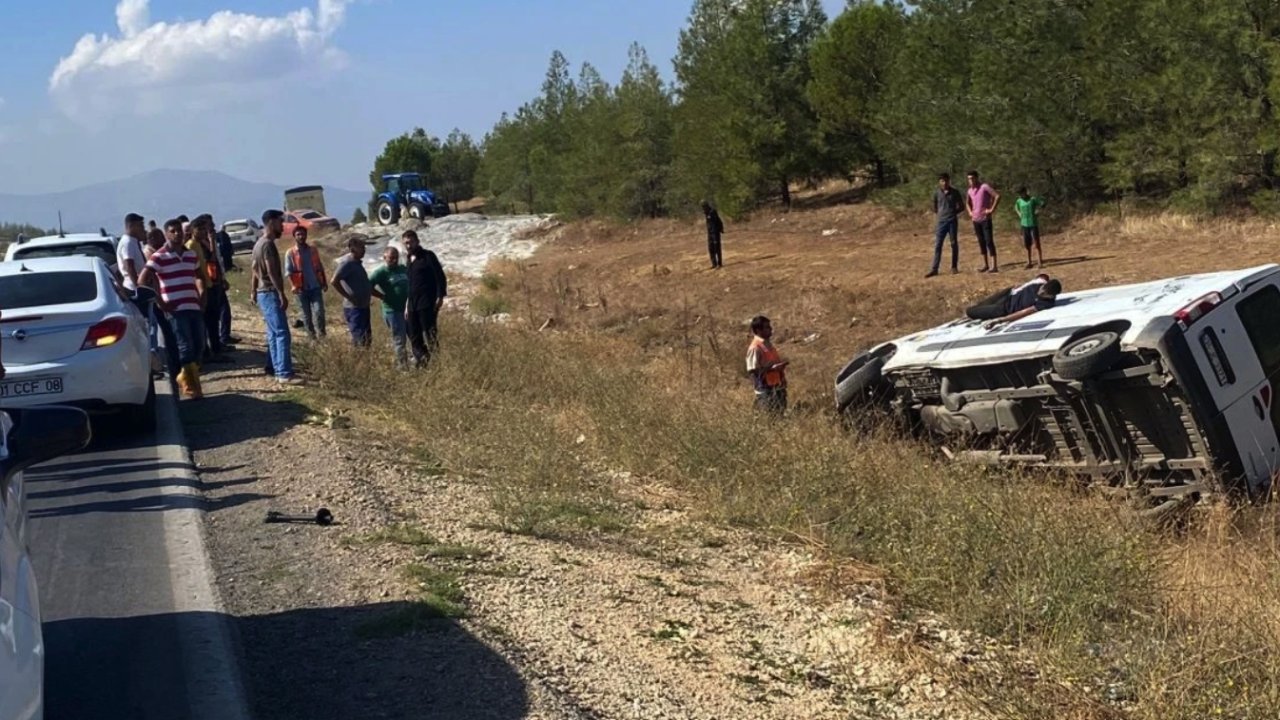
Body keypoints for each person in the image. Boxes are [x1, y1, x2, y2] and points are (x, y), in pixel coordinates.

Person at [138, 219, 206, 399]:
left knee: (199, 344)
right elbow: (143, 280)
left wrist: (201, 292)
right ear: (166, 234)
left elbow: (198, 275)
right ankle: (191, 387)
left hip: (193, 304)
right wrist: (160, 301)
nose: (177, 234)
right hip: (175, 308)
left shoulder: (190, 255)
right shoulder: (159, 257)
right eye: (173, 231)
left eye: (179, 231)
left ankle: (186, 377)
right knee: (185, 346)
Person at [252, 210, 301, 384]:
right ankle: (284, 373)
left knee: (273, 333)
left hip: (262, 293)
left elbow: (254, 270)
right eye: (280, 222)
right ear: (271, 223)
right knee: (282, 333)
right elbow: (271, 270)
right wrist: (281, 293)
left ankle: (274, 367)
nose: (282, 226)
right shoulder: (267, 245)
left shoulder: (258, 243)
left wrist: (253, 291)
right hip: (269, 292)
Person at [116, 213, 165, 374]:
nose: (143, 229)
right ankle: (151, 362)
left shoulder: (132, 242)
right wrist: (139, 286)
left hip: (139, 287)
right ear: (133, 226)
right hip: (135, 289)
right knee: (148, 327)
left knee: (152, 325)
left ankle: (154, 360)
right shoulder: (128, 243)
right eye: (140, 226)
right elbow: (129, 264)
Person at [187, 215, 230, 360]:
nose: (204, 232)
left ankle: (215, 349)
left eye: (205, 229)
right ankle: (209, 352)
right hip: (203, 287)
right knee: (207, 322)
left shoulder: (199, 244)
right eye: (201, 229)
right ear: (193, 230)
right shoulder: (191, 246)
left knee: (213, 320)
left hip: (210, 284)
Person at [402, 230, 447, 367]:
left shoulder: (428, 256)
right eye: (406, 243)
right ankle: (422, 361)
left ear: (417, 241)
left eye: (410, 242)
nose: (408, 245)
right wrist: (406, 304)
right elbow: (409, 284)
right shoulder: (408, 259)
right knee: (413, 334)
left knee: (430, 333)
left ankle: (436, 362)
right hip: (412, 304)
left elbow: (440, 276)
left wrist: (440, 296)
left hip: (427, 302)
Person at [369, 246, 411, 368]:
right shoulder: (381, 272)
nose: (393, 260)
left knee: (413, 336)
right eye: (391, 258)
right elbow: (368, 286)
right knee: (400, 339)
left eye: (396, 258)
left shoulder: (403, 269)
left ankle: (416, 361)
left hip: (408, 309)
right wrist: (381, 296)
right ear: (384, 258)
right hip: (393, 310)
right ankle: (402, 366)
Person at [965, 276, 1062, 327]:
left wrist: (1001, 320)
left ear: (1051, 295)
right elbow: (1041, 277)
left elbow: (1024, 312)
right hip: (1007, 294)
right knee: (980, 305)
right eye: (1042, 290)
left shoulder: (1046, 303)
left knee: (971, 312)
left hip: (1004, 309)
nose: (1040, 293)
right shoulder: (1040, 282)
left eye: (1044, 294)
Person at [284, 226, 328, 340]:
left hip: (315, 287)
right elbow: (288, 272)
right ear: (294, 236)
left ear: (306, 235)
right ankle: (312, 338)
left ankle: (322, 336)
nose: (301, 236)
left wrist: (324, 282)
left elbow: (319, 266)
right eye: (298, 234)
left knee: (319, 313)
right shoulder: (290, 253)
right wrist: (293, 285)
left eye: (303, 234)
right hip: (301, 289)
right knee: (306, 316)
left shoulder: (313, 250)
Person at [332, 237, 373, 347]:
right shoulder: (347, 264)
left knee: (367, 338)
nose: (364, 250)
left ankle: (365, 360)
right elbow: (334, 281)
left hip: (364, 306)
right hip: (354, 308)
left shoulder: (358, 264)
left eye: (364, 248)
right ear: (352, 249)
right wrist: (348, 296)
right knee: (359, 338)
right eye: (361, 248)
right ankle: (359, 360)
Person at [746, 315, 788, 415]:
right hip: (765, 390)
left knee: (780, 416)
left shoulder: (768, 345)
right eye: (767, 327)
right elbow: (753, 370)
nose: (771, 330)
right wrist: (771, 369)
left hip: (777, 387)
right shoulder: (755, 347)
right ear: (758, 330)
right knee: (769, 417)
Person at [927, 173, 964, 278]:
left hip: (952, 221)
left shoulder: (955, 192)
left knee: (953, 244)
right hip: (941, 222)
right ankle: (935, 269)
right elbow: (934, 206)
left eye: (946, 181)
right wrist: (941, 214)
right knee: (938, 245)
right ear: (939, 182)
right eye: (942, 181)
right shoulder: (937, 193)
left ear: (949, 181)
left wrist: (953, 212)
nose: (944, 183)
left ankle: (954, 267)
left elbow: (961, 206)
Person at [965, 170, 1001, 273]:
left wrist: (992, 209)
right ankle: (985, 264)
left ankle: (994, 266)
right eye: (969, 179)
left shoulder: (984, 187)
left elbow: (997, 196)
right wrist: (970, 212)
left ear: (977, 178)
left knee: (989, 240)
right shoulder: (970, 190)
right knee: (981, 241)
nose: (970, 181)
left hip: (985, 219)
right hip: (975, 219)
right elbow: (967, 202)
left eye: (972, 178)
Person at [1014, 187, 1046, 269]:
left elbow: (1043, 203)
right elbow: (1016, 207)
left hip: (1033, 224)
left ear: (1025, 191)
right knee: (1027, 244)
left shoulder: (1032, 199)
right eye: (1019, 194)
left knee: (1036, 243)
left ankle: (1039, 262)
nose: (1020, 195)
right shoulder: (1019, 201)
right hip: (1024, 224)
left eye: (1021, 193)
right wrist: (1019, 214)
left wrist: (1038, 211)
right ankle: (1029, 262)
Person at [701, 201, 724, 269]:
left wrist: (721, 229)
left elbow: (718, 220)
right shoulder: (706, 213)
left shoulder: (712, 212)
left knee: (717, 248)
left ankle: (719, 264)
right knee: (711, 248)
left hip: (715, 232)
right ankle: (714, 264)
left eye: (704, 206)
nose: (703, 208)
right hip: (710, 233)